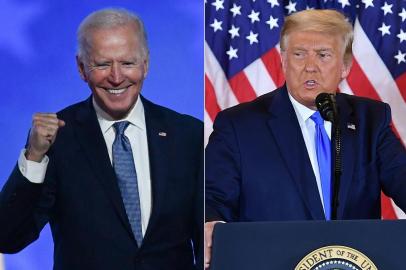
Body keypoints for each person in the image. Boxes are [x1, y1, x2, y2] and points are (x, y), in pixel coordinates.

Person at [0, 8, 203, 270]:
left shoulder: (187, 134)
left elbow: (205, 239)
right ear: (82, 68)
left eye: (127, 63)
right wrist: (34, 157)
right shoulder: (58, 138)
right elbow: (8, 237)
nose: (116, 77)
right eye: (103, 64)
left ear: (146, 64)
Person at [204, 9, 406, 269]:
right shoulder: (238, 125)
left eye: (323, 55)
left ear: (345, 66)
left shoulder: (370, 119)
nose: (310, 66)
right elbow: (212, 196)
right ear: (284, 61)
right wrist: (209, 223)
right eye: (299, 54)